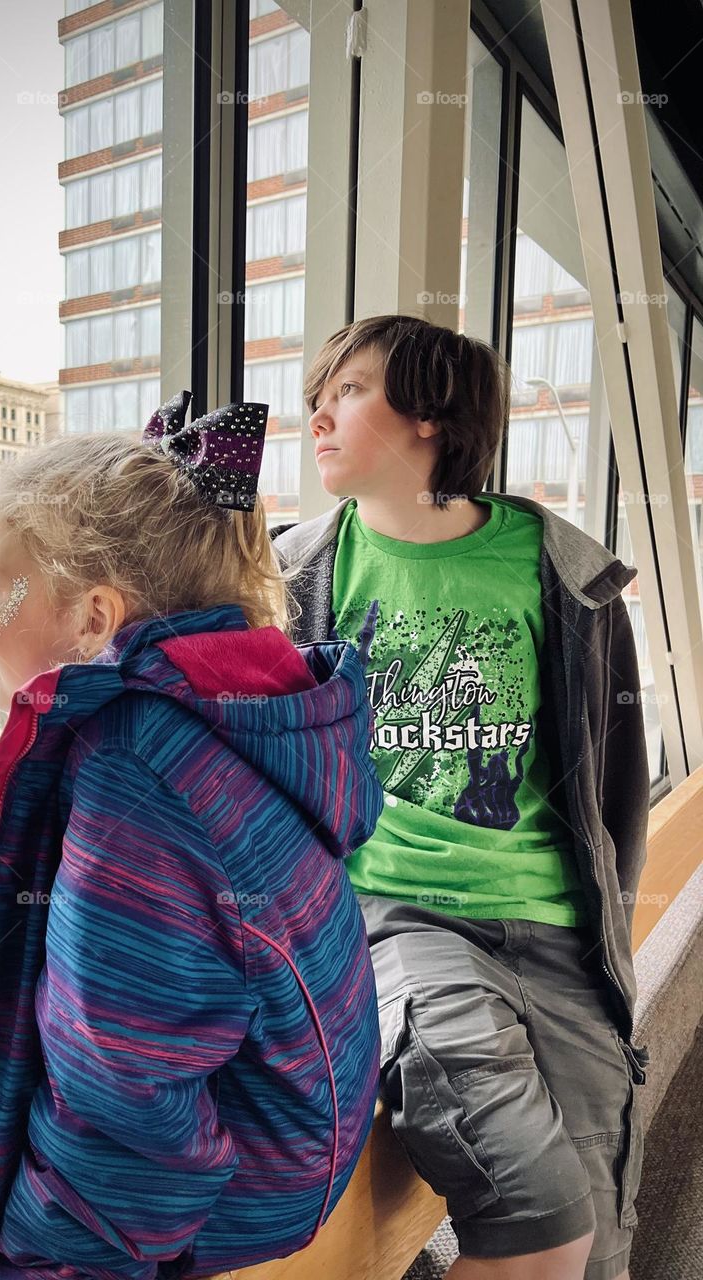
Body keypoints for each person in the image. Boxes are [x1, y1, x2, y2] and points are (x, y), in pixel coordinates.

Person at [0, 390, 384, 1280]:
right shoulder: (226, 704)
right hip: (294, 1125)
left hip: (243, 1190)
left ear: (94, 617)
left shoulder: (138, 777)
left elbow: (126, 1117)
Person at [274, 315, 650, 1280]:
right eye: (318, 394)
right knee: (533, 1208)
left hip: (557, 931)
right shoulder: (294, 576)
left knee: (599, 1243)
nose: (316, 414)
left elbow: (612, 788)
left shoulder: (564, 574)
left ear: (434, 416)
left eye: (349, 391)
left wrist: (606, 923)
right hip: (402, 923)